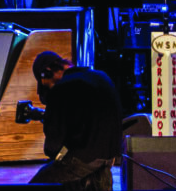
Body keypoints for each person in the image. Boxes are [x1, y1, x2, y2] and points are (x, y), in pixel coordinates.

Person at [28, 51, 122, 191]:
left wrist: (50, 119)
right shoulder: (101, 76)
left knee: (39, 183)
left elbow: (52, 147)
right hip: (108, 158)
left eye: (45, 85)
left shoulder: (61, 89)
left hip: (83, 159)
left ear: (46, 73)